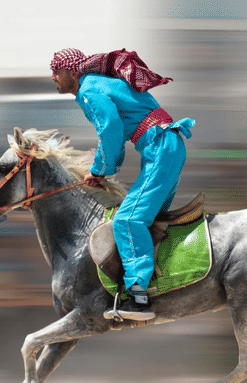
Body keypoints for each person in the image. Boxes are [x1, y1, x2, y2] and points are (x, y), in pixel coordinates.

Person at [50, 48, 195, 321]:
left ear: (72, 72)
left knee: (128, 221)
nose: (52, 77)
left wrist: (100, 171)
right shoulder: (99, 84)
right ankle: (160, 282)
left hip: (161, 147)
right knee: (149, 221)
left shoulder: (89, 90)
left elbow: (111, 130)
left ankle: (139, 298)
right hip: (164, 146)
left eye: (56, 70)